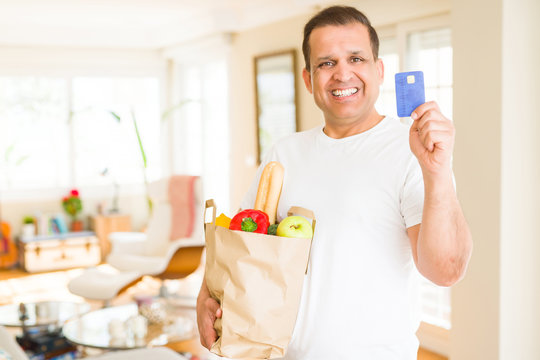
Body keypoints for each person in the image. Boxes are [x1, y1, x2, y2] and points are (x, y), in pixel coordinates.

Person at [197, 5, 472, 359]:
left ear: (379, 70)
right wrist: (206, 295)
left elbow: (445, 271)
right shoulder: (285, 153)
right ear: (309, 79)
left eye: (356, 59)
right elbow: (240, 245)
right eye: (327, 63)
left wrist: (437, 171)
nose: (343, 74)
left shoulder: (412, 151)